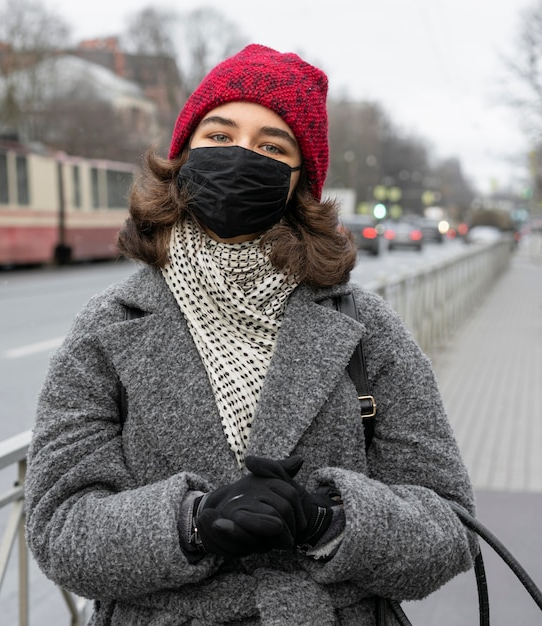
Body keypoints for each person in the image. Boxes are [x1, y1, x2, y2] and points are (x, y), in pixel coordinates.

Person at [25, 44, 476, 626]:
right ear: (183, 155)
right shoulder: (111, 324)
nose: (240, 157)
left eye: (271, 146)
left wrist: (330, 521)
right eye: (219, 136)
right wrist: (192, 525)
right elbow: (59, 526)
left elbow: (451, 530)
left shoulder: (368, 330)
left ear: (298, 181)